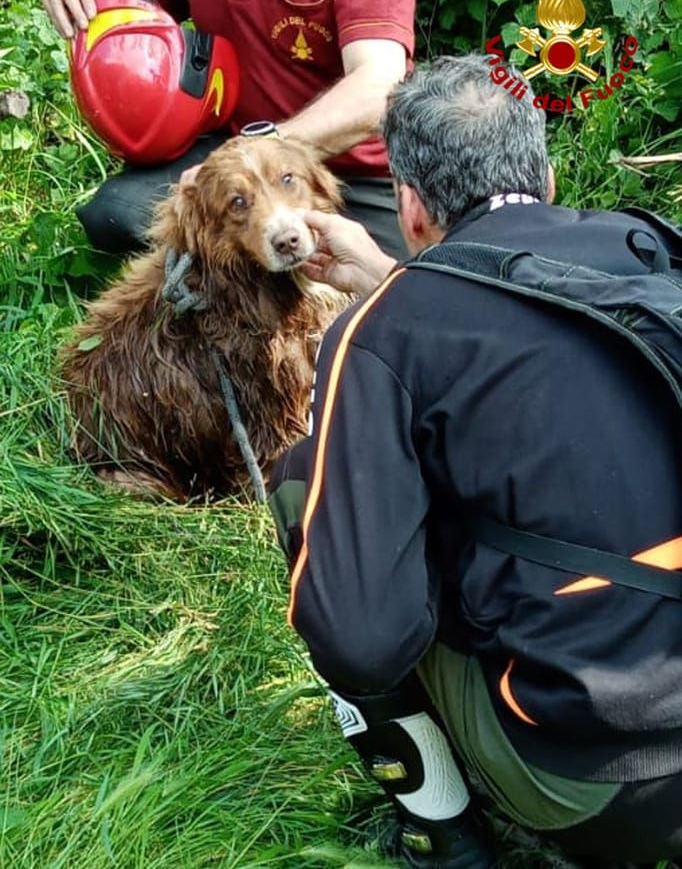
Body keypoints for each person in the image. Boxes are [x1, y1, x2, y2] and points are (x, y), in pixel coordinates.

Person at [269, 54, 682, 867]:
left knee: (302, 486)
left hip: (604, 789)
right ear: (550, 177)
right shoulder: (652, 251)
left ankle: (443, 834)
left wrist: (388, 304)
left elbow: (361, 639)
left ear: (411, 207)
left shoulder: (386, 331)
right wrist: (394, 280)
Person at [39, 0, 414, 258]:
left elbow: (378, 87)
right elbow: (144, 25)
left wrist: (268, 147)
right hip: (231, 156)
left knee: (392, 286)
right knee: (118, 215)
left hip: (358, 173)